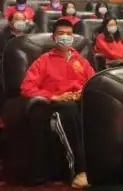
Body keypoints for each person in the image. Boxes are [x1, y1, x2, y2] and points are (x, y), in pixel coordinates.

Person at [20, 19, 94, 188]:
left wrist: (82, 93)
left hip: (80, 101)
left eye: (69, 34)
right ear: (53, 38)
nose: (65, 37)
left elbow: (94, 81)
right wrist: (54, 96)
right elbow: (26, 87)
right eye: (61, 34)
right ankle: (79, 171)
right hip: (55, 106)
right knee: (69, 110)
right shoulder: (43, 61)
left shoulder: (80, 60)